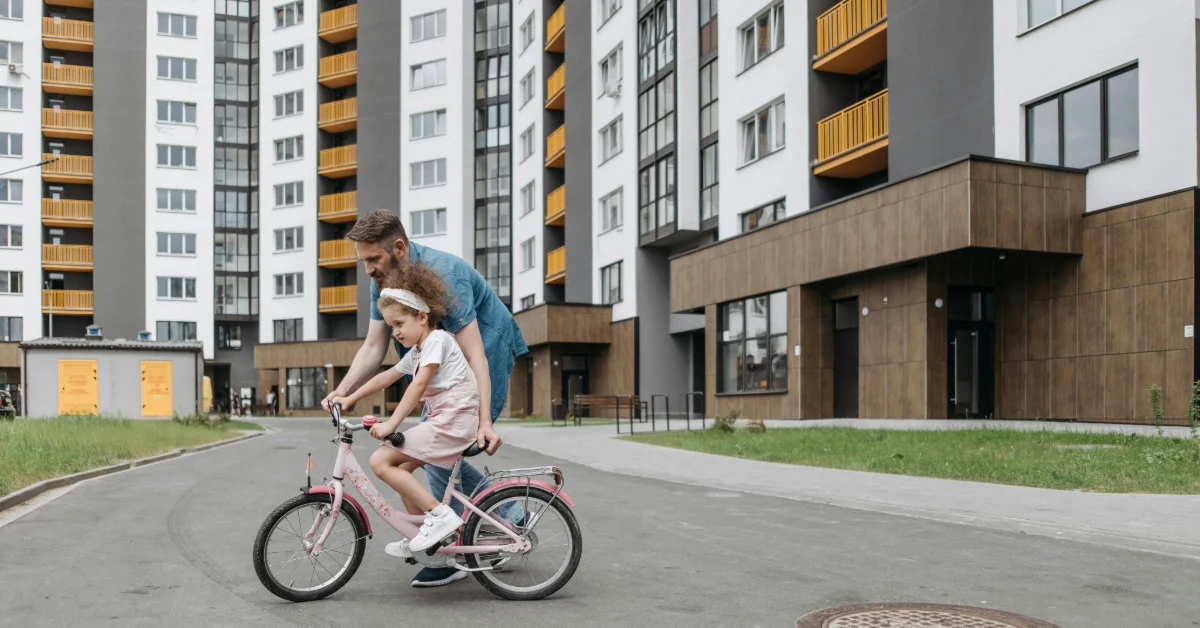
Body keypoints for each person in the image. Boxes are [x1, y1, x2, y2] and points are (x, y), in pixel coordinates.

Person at [321, 209, 529, 588]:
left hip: (486, 349)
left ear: (398, 248)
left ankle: (467, 535)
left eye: (372, 259)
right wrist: (344, 390)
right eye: (363, 260)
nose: (367, 269)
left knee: (441, 451)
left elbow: (476, 356)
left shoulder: (445, 275)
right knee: (432, 453)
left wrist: (484, 421)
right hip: (433, 362)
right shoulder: (382, 281)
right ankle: (488, 520)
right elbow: (373, 346)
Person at [330, 268, 480, 560]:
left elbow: (419, 384)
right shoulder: (417, 351)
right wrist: (348, 397)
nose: (395, 332)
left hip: (454, 421)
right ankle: (418, 530)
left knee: (381, 460)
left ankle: (440, 515)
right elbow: (385, 378)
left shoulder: (438, 340)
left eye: (399, 323)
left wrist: (391, 424)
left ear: (422, 317)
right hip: (445, 420)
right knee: (398, 469)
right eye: (391, 326)